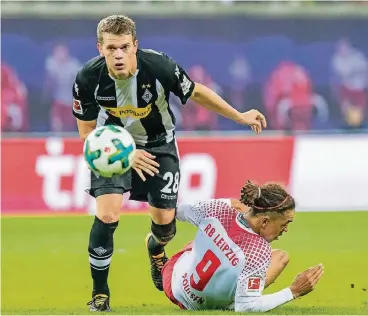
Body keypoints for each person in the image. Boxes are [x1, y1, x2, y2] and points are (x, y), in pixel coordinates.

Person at [72, 15, 267, 312]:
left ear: (135, 45)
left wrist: (239, 116)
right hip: (111, 149)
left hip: (159, 146)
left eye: (124, 47)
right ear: (100, 48)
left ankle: (155, 249)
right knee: (107, 214)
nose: (119, 55)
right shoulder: (87, 78)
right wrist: (125, 152)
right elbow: (87, 135)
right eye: (111, 48)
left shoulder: (159, 66)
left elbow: (197, 92)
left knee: (165, 225)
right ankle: (100, 294)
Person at [162, 181, 324, 312]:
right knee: (280, 257)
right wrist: (293, 291)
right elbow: (246, 307)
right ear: (265, 221)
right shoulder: (259, 251)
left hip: (173, 283)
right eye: (285, 223)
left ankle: (156, 253)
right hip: (205, 306)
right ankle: (244, 291)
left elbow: (177, 211)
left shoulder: (219, 209)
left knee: (195, 244)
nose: (286, 229)